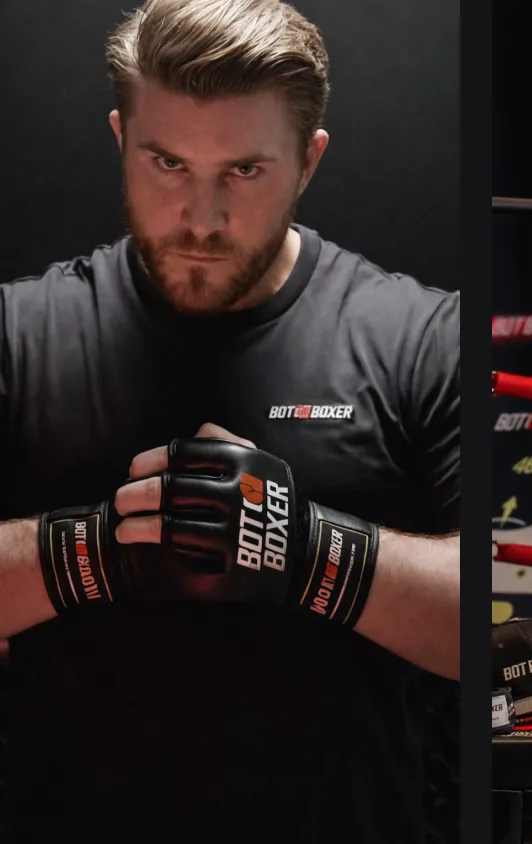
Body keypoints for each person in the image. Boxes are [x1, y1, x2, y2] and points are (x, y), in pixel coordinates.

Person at [0, 0, 460, 842]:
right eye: (167, 162)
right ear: (119, 139)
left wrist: (312, 550)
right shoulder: (20, 333)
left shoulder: (421, 337)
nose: (202, 218)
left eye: (244, 172)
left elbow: (487, 621)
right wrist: (97, 549)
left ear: (309, 162)